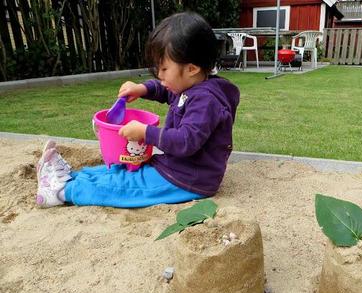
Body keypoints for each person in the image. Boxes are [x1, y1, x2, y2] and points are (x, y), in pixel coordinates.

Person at [36, 12, 240, 208]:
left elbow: (186, 141)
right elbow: (166, 91)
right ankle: (71, 177)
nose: (160, 75)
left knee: (124, 187)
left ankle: (60, 192)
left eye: (164, 69)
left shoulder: (206, 101)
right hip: (173, 167)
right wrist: (143, 89)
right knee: (119, 171)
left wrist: (145, 133)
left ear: (191, 68)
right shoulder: (189, 87)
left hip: (187, 179)